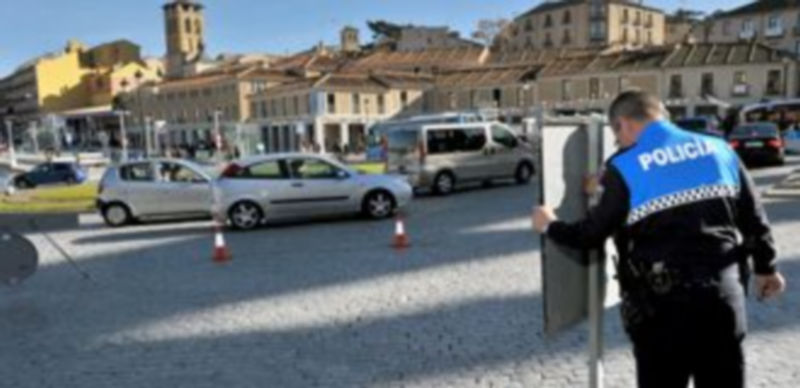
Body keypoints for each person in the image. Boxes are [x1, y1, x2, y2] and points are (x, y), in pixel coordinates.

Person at [532, 91, 786, 388]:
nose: (620, 145)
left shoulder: (625, 167)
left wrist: (550, 225)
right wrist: (766, 268)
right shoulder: (719, 149)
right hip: (723, 299)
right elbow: (754, 218)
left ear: (623, 124)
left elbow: (590, 234)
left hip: (663, 309)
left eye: (618, 137)